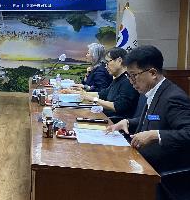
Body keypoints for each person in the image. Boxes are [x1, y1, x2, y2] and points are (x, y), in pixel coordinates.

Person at [106, 45, 190, 173]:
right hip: (141, 158)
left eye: (134, 75)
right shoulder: (154, 91)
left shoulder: (173, 97)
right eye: (129, 76)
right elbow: (155, 118)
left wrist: (155, 135)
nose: (131, 82)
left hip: (158, 169)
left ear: (152, 73)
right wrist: (128, 122)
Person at [73, 47, 139, 123]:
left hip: (114, 122)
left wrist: (92, 99)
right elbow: (102, 94)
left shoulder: (128, 81)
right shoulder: (118, 79)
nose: (106, 66)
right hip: (106, 117)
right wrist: (82, 94)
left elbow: (118, 106)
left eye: (108, 62)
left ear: (119, 61)